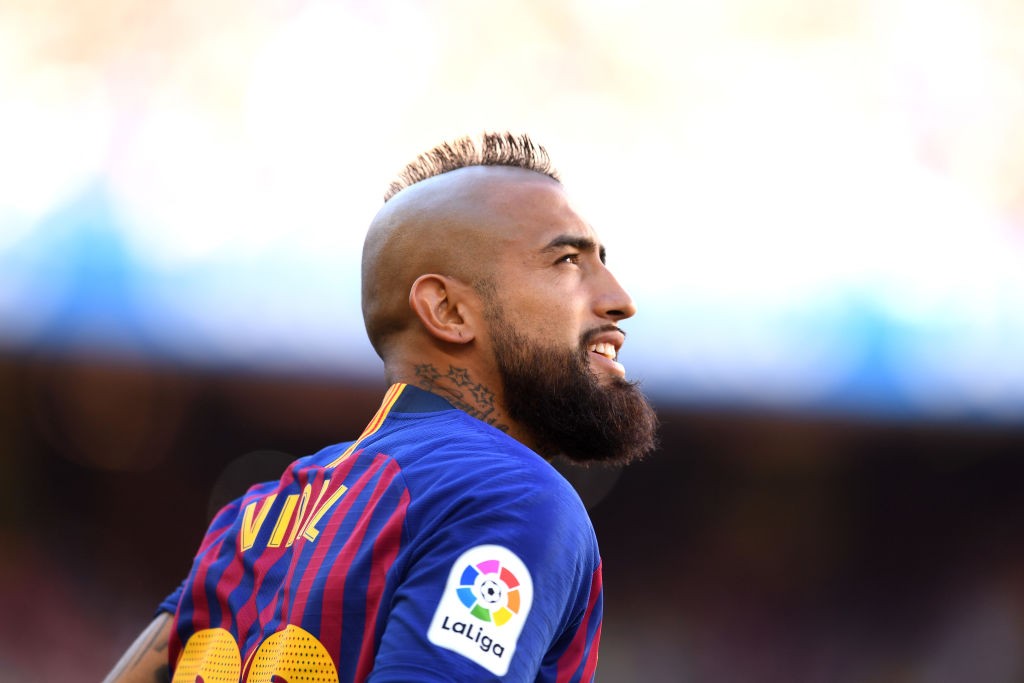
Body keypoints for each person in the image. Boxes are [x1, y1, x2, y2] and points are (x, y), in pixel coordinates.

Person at [104, 132, 658, 683]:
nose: (619, 299)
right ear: (447, 310)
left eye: (601, 261)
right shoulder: (509, 496)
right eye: (567, 260)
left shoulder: (248, 524)